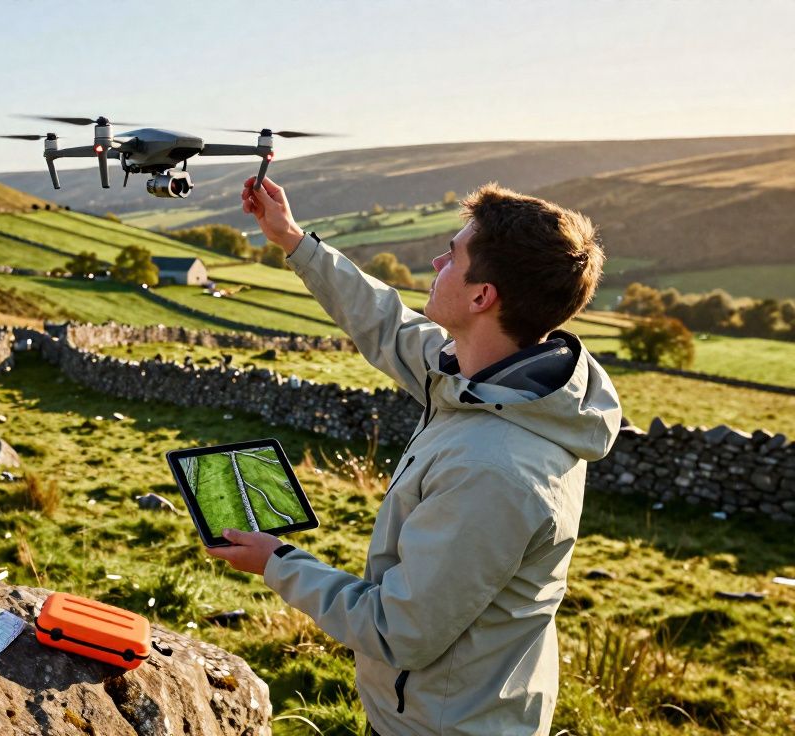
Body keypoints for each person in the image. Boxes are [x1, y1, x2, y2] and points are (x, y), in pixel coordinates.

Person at [205, 177, 622, 736]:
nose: (434, 261)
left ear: (482, 297)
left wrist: (277, 562)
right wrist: (293, 240)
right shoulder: (486, 377)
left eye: (451, 256)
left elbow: (398, 630)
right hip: (442, 709)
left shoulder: (494, 472)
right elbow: (384, 323)